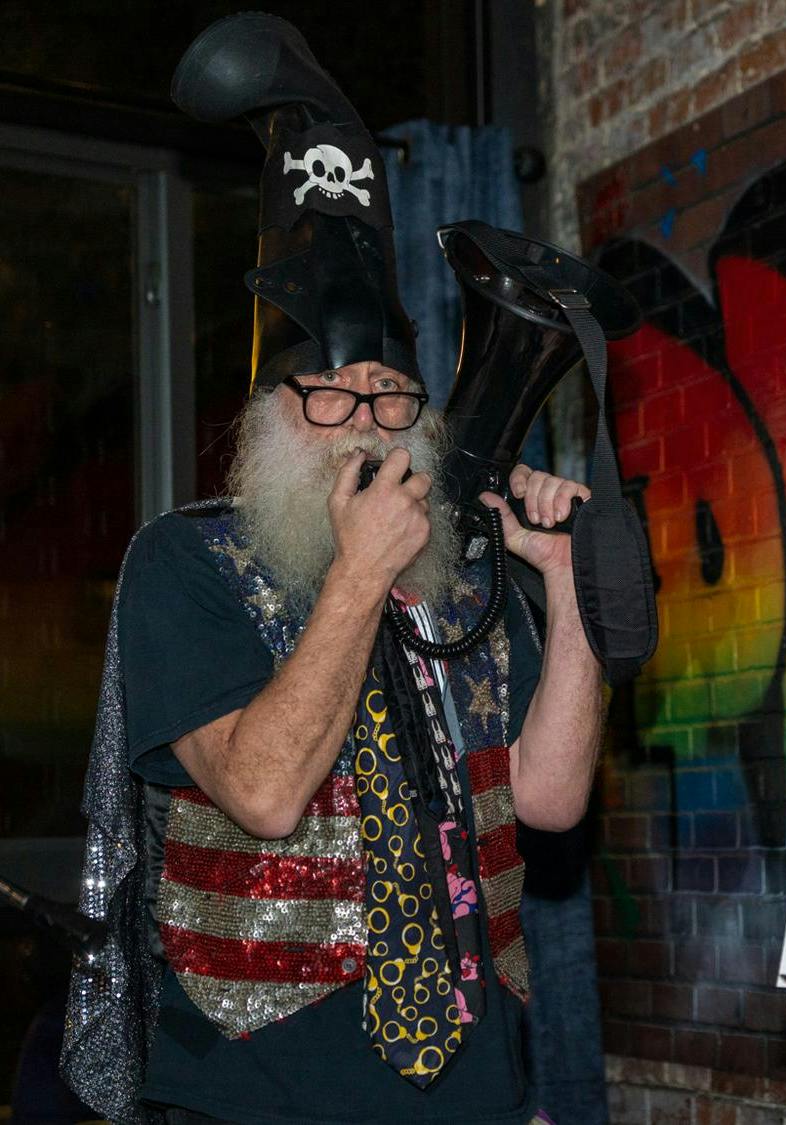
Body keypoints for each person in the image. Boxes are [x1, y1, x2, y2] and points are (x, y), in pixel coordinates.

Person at [63, 14, 601, 1123]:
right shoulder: (186, 562)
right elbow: (262, 793)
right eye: (331, 396)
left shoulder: (460, 573)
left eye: (391, 398)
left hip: (478, 1092)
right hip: (255, 1097)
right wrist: (360, 576)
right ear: (273, 412)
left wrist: (565, 585)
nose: (365, 424)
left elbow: (549, 800)